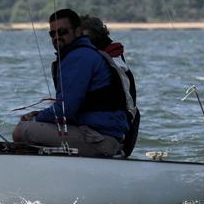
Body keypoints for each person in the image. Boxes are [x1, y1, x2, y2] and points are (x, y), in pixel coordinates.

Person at [12, 9, 129, 157]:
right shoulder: (84, 53)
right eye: (52, 34)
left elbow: (65, 110)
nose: (57, 37)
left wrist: (36, 118)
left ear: (78, 31)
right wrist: (40, 115)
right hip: (100, 134)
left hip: (99, 139)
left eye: (62, 32)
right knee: (34, 124)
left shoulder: (79, 56)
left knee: (22, 130)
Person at [80, 15, 140, 157]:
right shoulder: (110, 57)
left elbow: (128, 104)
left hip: (116, 133)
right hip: (116, 128)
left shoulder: (110, 61)